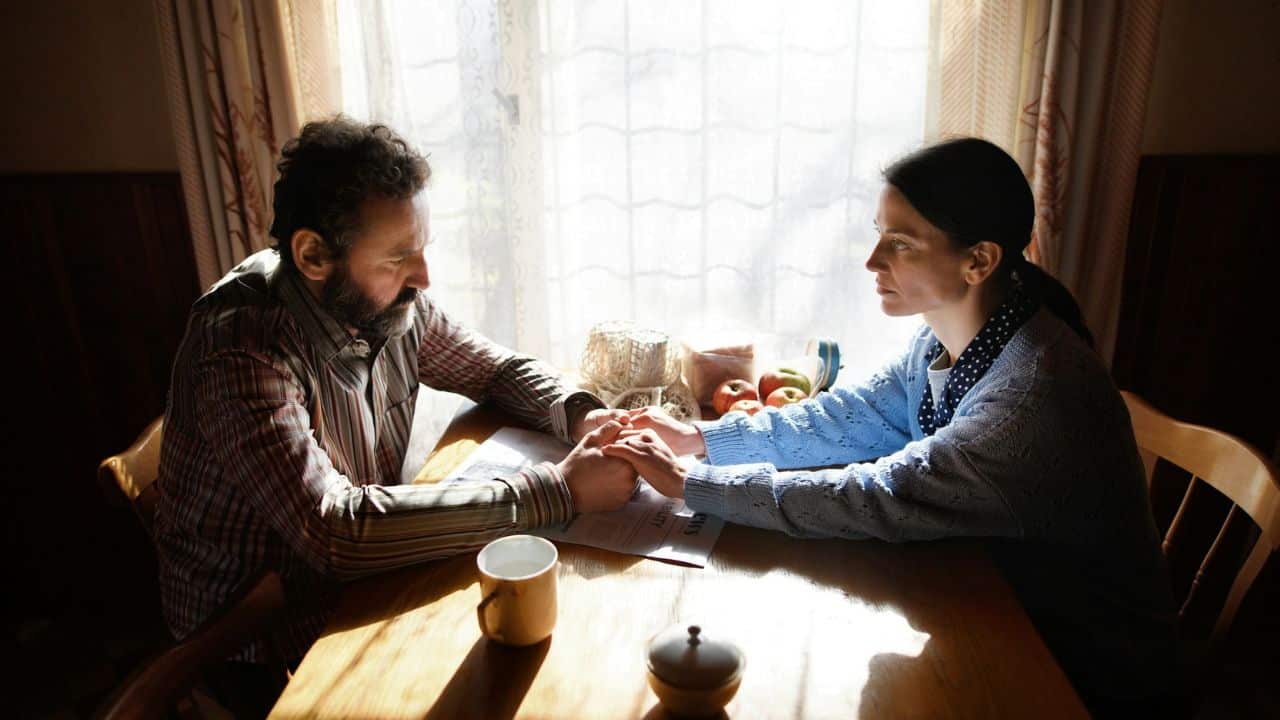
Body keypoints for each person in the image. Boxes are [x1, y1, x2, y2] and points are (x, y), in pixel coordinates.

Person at [604, 138, 1176, 714]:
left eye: (900, 244)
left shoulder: (1031, 397)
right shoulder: (961, 326)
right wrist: (703, 439)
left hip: (1078, 673)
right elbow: (854, 413)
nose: (873, 260)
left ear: (979, 260)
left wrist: (692, 482)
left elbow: (879, 497)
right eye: (879, 233)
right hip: (992, 597)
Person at [153, 117, 637, 709]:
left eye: (422, 247)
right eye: (398, 257)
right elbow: (334, 527)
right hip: (254, 637)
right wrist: (557, 490)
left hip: (349, 582)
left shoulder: (383, 303)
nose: (424, 276)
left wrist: (579, 413)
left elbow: (492, 369)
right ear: (312, 255)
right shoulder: (242, 352)